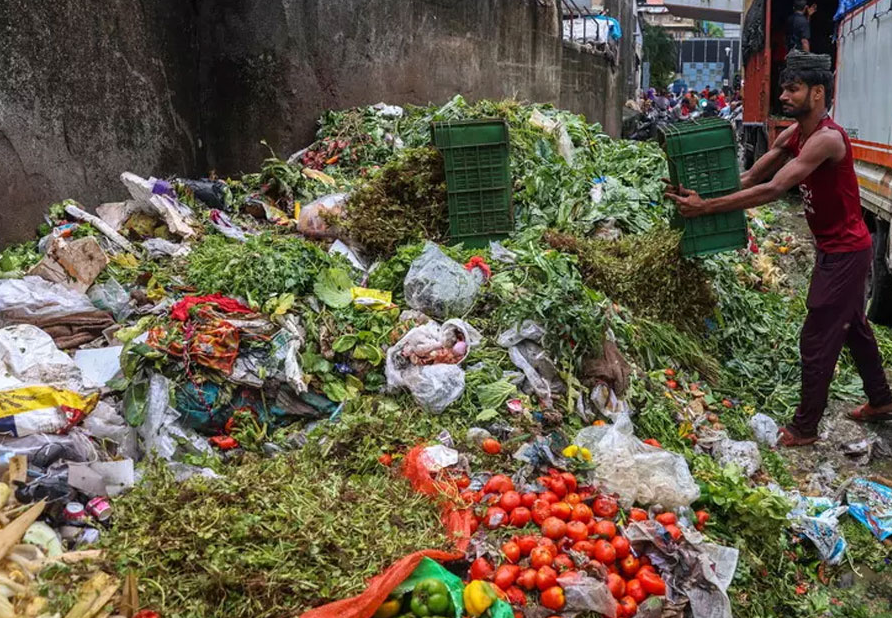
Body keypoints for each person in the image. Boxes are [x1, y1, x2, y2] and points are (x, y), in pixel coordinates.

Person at [665, 53, 892, 447]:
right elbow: (753, 175)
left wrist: (706, 209)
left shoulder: (826, 139)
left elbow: (773, 190)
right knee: (853, 326)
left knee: (817, 337)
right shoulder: (795, 133)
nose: (784, 95)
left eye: (794, 89)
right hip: (835, 249)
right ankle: (882, 400)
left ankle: (805, 428)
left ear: (817, 93)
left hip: (845, 253)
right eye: (785, 88)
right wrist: (702, 196)